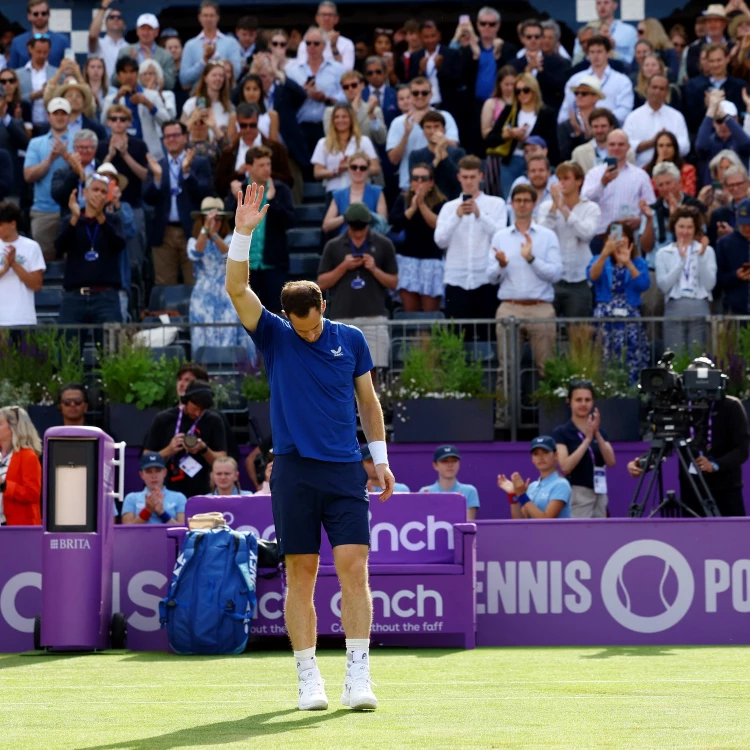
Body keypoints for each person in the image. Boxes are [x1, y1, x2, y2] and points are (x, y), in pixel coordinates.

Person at [225, 183, 396, 711]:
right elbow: (236, 288)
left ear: (323, 306)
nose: (307, 332)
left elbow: (368, 404)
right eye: (300, 327)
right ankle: (308, 677)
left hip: (346, 470)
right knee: (301, 573)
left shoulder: (352, 339)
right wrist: (242, 233)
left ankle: (358, 676)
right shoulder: (276, 335)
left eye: (314, 323)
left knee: (354, 569)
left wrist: (380, 460)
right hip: (295, 471)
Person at [627, 357, 749, 517]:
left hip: (726, 489)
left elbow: (742, 450)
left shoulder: (731, 406)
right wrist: (642, 463)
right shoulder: (682, 408)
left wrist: (715, 465)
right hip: (692, 489)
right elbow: (666, 443)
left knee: (731, 539)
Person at [488, 183, 562, 404]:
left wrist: (531, 259)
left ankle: (550, 423)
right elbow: (490, 276)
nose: (522, 205)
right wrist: (501, 265)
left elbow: (557, 274)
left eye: (526, 200)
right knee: (507, 370)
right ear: (511, 204)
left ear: (534, 203)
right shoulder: (500, 236)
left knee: (547, 368)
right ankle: (505, 424)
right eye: (518, 200)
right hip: (509, 306)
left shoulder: (547, 236)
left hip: (541, 307)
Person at [317, 203, 398, 372]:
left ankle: (373, 400)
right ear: (348, 224)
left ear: (368, 224)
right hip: (342, 319)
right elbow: (322, 283)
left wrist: (374, 269)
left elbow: (394, 283)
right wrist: (343, 267)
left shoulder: (384, 244)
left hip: (374, 318)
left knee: (373, 371)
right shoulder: (333, 246)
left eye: (362, 228)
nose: (358, 232)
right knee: (342, 371)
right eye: (354, 228)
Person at [435, 155, 508, 336]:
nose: (468, 181)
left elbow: (500, 236)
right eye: (465, 177)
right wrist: (457, 216)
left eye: (472, 177)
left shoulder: (496, 204)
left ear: (481, 177)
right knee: (457, 338)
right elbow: (440, 241)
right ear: (459, 177)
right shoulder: (449, 208)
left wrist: (479, 214)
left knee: (487, 336)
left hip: (485, 278)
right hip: (456, 279)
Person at [143, 120, 213, 286]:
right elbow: (147, 198)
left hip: (193, 231)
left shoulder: (199, 163)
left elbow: (205, 193)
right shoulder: (156, 166)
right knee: (165, 285)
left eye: (175, 135)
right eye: (167, 136)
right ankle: (168, 313)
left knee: (195, 282)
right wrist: (158, 179)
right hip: (164, 233)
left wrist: (187, 173)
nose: (171, 139)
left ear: (185, 137)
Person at [226, 145, 294, 312]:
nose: (266, 169)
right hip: (245, 265)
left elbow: (290, 221)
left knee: (277, 314)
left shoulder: (281, 190)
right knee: (246, 315)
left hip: (273, 265)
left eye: (268, 164)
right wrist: (236, 199)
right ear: (249, 167)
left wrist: (273, 200)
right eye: (261, 165)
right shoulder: (239, 190)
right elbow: (228, 224)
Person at [187, 197, 255, 357]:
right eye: (209, 219)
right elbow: (196, 253)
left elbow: (230, 254)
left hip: (226, 293)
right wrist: (205, 231)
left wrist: (214, 235)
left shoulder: (230, 239)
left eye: (218, 219)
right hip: (202, 296)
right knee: (202, 335)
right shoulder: (193, 241)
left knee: (228, 332)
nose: (215, 222)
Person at [55, 173, 125, 326]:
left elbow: (119, 245)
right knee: (68, 348)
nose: (99, 194)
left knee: (111, 348)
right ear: (85, 193)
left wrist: (101, 217)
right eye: (95, 190)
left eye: (103, 192)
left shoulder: (114, 220)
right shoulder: (70, 220)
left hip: (106, 297)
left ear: (108, 197)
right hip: (74, 296)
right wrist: (74, 218)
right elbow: (59, 248)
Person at [143, 379, 228, 499]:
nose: (198, 413)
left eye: (202, 410)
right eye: (195, 408)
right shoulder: (164, 419)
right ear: (185, 400)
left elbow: (223, 461)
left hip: (201, 490)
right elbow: (146, 459)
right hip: (167, 490)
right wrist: (169, 450)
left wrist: (204, 449)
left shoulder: (214, 420)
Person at [587, 225, 650, 383]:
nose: (618, 242)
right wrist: (604, 255)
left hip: (630, 319)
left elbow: (644, 285)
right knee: (605, 357)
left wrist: (628, 263)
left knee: (631, 357)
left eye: (622, 239)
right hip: (605, 317)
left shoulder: (638, 262)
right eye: (614, 238)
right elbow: (592, 277)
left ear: (630, 241)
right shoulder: (598, 259)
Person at [537, 161, 600, 318]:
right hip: (552, 278)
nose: (561, 183)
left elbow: (586, 234)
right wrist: (554, 207)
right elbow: (542, 237)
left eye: (566, 178)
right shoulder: (546, 207)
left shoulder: (591, 208)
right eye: (559, 179)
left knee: (578, 333)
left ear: (578, 181)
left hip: (580, 279)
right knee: (547, 331)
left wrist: (564, 209)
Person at [581, 129, 655, 251]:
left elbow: (650, 206)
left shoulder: (640, 175)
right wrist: (602, 183)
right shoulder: (594, 174)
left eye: (621, 144)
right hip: (600, 237)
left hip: (628, 238)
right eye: (612, 144)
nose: (616, 148)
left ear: (628, 147)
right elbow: (584, 201)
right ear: (606, 146)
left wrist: (640, 220)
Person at [655, 206, 716, 353]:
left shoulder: (707, 251)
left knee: (697, 357)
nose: (685, 231)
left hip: (699, 307)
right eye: (681, 226)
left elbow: (709, 285)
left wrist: (700, 258)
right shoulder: (663, 253)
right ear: (674, 227)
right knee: (675, 356)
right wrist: (681, 262)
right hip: (674, 307)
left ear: (695, 229)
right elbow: (664, 286)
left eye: (689, 227)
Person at [552, 382, 616, 518]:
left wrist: (596, 434)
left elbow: (611, 461)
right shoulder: (562, 432)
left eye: (587, 400)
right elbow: (565, 466)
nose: (583, 404)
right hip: (577, 492)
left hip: (600, 492)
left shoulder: (600, 432)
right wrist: (587, 440)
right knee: (580, 535)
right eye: (578, 400)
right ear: (569, 401)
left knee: (601, 534)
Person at [390, 162, 446, 312]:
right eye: (415, 178)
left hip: (431, 262)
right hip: (408, 261)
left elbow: (437, 225)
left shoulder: (441, 202)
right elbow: (395, 223)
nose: (419, 182)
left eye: (424, 178)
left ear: (431, 182)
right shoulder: (402, 200)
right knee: (411, 313)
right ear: (410, 182)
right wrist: (413, 207)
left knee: (429, 315)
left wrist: (422, 205)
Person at [386, 76, 459, 191]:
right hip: (410, 184)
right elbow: (393, 159)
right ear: (410, 96)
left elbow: (454, 146)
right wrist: (406, 134)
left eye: (424, 93)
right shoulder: (398, 122)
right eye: (415, 93)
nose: (420, 96)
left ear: (431, 95)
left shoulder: (444, 117)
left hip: (442, 182)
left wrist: (440, 137)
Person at [287, 26, 346, 167]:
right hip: (301, 125)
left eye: (316, 43)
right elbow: (286, 100)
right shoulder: (292, 71)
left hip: (328, 125)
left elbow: (345, 96)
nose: (311, 47)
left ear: (324, 46)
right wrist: (302, 93)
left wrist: (326, 98)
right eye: (308, 43)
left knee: (330, 165)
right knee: (304, 167)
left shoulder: (337, 69)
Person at [23, 96, 72, 261]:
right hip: (43, 212)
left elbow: (85, 173)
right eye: (55, 113)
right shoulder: (36, 143)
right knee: (44, 263)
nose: (59, 117)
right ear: (48, 116)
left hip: (74, 211)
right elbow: (28, 176)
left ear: (69, 117)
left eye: (63, 113)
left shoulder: (79, 141)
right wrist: (50, 159)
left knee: (72, 259)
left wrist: (66, 155)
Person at [559, 35, 634, 128]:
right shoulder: (575, 79)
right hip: (580, 131)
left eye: (599, 51)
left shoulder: (622, 81)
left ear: (608, 53)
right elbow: (566, 109)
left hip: (612, 130)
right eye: (592, 52)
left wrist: (601, 120)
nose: (595, 56)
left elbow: (624, 111)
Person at [623, 74, 688, 168]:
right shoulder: (633, 117)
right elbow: (626, 147)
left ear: (667, 92)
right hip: (640, 170)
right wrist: (651, 143)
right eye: (654, 87)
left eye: (662, 89)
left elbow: (685, 147)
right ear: (647, 89)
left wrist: (665, 143)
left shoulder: (676, 117)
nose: (657, 91)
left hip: (671, 171)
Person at [498, 436, 572, 519]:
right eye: (536, 453)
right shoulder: (533, 486)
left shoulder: (561, 484)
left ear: (556, 455)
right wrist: (513, 495)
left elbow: (546, 520)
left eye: (545, 452)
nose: (540, 457)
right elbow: (520, 521)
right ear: (532, 459)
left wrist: (522, 495)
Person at [311, 102, 379, 191]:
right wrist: (336, 171)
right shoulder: (323, 143)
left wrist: (356, 168)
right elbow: (317, 172)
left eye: (344, 116)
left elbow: (376, 169)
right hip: (334, 191)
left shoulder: (363, 141)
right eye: (337, 117)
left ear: (351, 119)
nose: (340, 120)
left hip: (360, 191)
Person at [0, 200, 45, 327]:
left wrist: (14, 264)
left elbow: (36, 285)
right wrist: (5, 268)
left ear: (13, 224)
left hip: (23, 318)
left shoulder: (32, 247)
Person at [179, 0, 242, 89]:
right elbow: (184, 79)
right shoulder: (190, 45)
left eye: (212, 15)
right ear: (199, 18)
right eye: (205, 15)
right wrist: (203, 61)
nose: (208, 19)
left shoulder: (231, 42)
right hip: (199, 96)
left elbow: (236, 73)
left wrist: (215, 57)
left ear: (217, 17)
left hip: (224, 96)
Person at [510, 19, 570, 111]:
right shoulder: (513, 65)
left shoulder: (558, 62)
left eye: (537, 36)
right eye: (529, 37)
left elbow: (562, 89)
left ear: (542, 38)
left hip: (549, 114)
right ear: (522, 39)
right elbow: (509, 90)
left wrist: (541, 71)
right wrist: (527, 71)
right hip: (521, 112)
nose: (533, 40)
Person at [322, 151, 387, 235]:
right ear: (348, 169)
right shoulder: (339, 194)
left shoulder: (377, 192)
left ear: (368, 170)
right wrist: (346, 217)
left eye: (362, 168)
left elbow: (383, 223)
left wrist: (367, 215)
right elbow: (326, 226)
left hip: (370, 241)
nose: (358, 171)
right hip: (345, 242)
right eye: (354, 167)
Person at [407, 111, 465, 200]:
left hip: (453, 200)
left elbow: (461, 180)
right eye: (428, 127)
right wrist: (436, 160)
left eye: (436, 126)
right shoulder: (416, 155)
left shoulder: (458, 153)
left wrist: (444, 156)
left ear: (444, 130)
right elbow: (417, 181)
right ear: (423, 131)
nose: (432, 131)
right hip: (427, 202)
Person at [0, 405, 42, 527]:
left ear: (14, 427)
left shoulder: (28, 456)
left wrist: (4, 485)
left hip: (16, 528)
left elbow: (32, 493)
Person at [696, 96, 750, 187]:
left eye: (727, 120)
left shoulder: (739, 141)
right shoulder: (709, 142)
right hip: (713, 192)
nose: (723, 125)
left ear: (736, 120)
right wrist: (710, 112)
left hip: (738, 191)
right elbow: (700, 146)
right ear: (713, 122)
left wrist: (725, 117)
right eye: (719, 120)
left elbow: (747, 145)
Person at [120, 453, 187, 525]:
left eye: (158, 470)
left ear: (165, 472)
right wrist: (147, 511)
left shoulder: (179, 497)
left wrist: (162, 513)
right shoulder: (131, 498)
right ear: (141, 475)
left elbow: (183, 530)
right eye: (148, 471)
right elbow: (127, 531)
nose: (154, 476)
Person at [480, 65, 517, 195]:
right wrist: (505, 134)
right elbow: (485, 132)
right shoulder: (491, 103)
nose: (510, 88)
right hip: (497, 154)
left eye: (513, 84)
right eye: (506, 84)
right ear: (499, 84)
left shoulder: (521, 102)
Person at [115, 14, 176, 91]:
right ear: (137, 31)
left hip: (156, 96)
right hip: (130, 95)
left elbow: (170, 84)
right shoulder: (125, 51)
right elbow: (114, 81)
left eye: (149, 29)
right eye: (142, 29)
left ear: (156, 32)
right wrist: (130, 66)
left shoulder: (166, 56)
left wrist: (153, 64)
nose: (145, 33)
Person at [419, 444, 479, 520]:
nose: (450, 465)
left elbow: (467, 525)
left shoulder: (470, 491)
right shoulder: (424, 492)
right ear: (435, 465)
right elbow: (425, 523)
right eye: (444, 461)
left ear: (459, 464)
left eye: (454, 461)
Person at [556, 76, 607, 163]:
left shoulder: (607, 120)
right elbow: (565, 156)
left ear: (595, 98)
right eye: (576, 93)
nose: (579, 96)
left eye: (584, 93)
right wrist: (579, 137)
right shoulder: (566, 125)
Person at [16, 34, 58, 135]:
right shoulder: (18, 74)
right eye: (38, 52)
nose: (42, 56)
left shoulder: (57, 73)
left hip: (51, 125)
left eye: (45, 52)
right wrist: (33, 95)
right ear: (30, 49)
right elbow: (13, 98)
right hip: (26, 125)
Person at [572, 0, 638, 65]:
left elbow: (634, 59)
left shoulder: (629, 31)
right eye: (598, 3)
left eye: (606, 2)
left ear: (615, 5)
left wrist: (612, 49)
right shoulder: (586, 32)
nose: (602, 6)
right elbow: (577, 58)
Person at [9, 0, 69, 69]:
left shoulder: (62, 41)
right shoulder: (17, 42)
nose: (40, 17)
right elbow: (12, 72)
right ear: (29, 16)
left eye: (43, 13)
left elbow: (69, 70)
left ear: (49, 15)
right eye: (36, 14)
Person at [297, 1, 355, 71]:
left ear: (336, 19)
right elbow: (301, 68)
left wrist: (334, 47)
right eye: (323, 15)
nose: (326, 18)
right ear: (317, 18)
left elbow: (347, 72)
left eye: (330, 15)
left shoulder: (347, 44)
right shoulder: (306, 43)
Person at [715, 197, 750, 314]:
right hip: (735, 309)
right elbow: (717, 280)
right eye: (743, 223)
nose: (747, 228)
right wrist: (736, 276)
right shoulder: (725, 243)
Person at [643, 129, 696, 197]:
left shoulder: (687, 169)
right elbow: (649, 194)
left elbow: (689, 193)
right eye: (661, 146)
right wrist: (657, 168)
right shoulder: (646, 169)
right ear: (656, 148)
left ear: (675, 148)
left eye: (669, 145)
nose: (665, 149)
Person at [88, 0, 127, 82]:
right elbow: (92, 35)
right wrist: (103, 7)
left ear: (124, 26)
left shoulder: (129, 47)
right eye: (111, 17)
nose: (115, 19)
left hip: (123, 90)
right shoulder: (99, 44)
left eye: (119, 17)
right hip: (102, 91)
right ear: (105, 24)